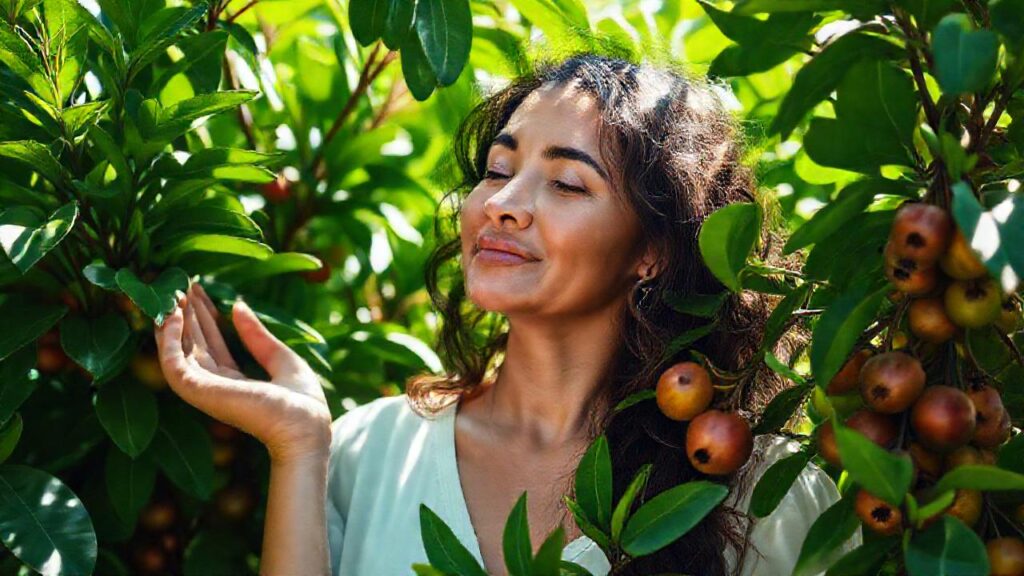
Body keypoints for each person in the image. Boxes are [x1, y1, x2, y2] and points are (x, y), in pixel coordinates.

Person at [155, 54, 860, 576]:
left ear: (653, 249)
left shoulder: (765, 494)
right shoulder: (368, 454)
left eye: (564, 182)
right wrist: (300, 448)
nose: (500, 203)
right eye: (497, 169)